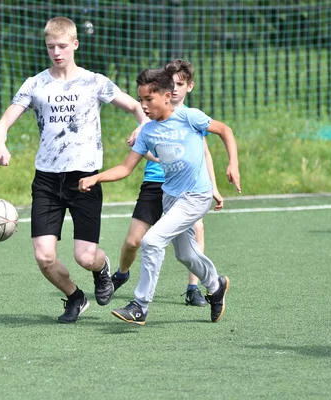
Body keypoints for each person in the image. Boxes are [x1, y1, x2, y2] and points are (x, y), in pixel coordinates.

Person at [0, 17, 149, 323]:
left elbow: (135, 107)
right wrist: (0, 144)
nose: (57, 52)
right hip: (47, 180)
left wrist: (142, 128)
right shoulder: (35, 84)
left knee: (85, 256)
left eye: (62, 46)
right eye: (51, 46)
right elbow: (3, 123)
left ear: (75, 44)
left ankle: (103, 270)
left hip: (86, 178)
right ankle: (75, 297)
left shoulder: (94, 82)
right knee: (44, 256)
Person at [78, 68, 241, 325]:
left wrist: (233, 165)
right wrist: (96, 177)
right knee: (185, 255)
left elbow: (225, 130)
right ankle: (216, 285)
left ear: (167, 96)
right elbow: (125, 168)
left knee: (152, 241)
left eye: (148, 100)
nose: (143, 105)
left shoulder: (190, 117)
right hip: (170, 198)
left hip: (196, 196)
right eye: (140, 100)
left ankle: (140, 305)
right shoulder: (147, 132)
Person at [112, 59, 223, 307]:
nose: (174, 89)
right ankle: (215, 284)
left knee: (169, 237)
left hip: (193, 189)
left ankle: (185, 290)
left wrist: (214, 185)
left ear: (188, 87)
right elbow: (138, 159)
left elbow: (205, 152)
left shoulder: (192, 118)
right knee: (151, 244)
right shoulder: (149, 123)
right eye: (171, 84)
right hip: (159, 186)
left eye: (179, 84)